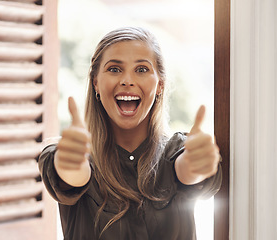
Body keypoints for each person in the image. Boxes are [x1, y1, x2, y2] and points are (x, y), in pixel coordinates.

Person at [38, 27, 222, 240]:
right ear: (96, 82)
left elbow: (188, 170)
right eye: (115, 69)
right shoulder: (70, 154)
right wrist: (69, 163)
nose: (127, 80)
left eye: (142, 69)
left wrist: (197, 164)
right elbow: (73, 174)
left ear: (160, 84)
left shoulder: (178, 151)